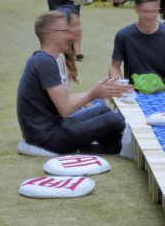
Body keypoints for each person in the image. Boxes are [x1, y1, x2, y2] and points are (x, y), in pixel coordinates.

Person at [16, 11, 130, 154]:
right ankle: (85, 148)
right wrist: (93, 93)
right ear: (51, 34)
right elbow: (66, 108)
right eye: (65, 31)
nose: (70, 36)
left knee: (102, 110)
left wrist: (98, 92)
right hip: (47, 137)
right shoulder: (44, 61)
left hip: (51, 127)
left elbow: (66, 100)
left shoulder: (44, 59)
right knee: (114, 120)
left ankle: (109, 146)